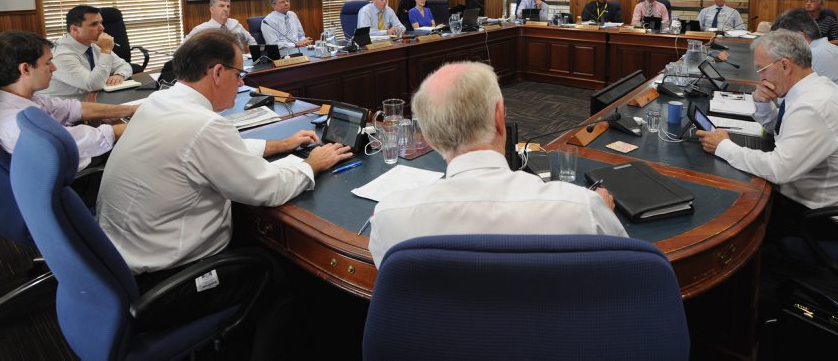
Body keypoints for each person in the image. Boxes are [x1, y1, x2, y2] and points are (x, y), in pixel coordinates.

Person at [97, 31, 352, 279]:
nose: (241, 83)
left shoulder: (159, 101)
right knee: (284, 273)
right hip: (171, 270)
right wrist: (312, 164)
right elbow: (267, 189)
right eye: (239, 74)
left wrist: (280, 144)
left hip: (119, 257)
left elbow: (210, 151)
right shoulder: (203, 125)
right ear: (218, 72)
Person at [369, 62, 627, 265]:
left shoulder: (390, 218)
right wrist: (602, 211)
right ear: (499, 118)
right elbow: (625, 273)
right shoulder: (583, 210)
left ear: (428, 136)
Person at [695, 30, 838, 241]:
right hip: (814, 195)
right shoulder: (814, 88)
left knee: (725, 207)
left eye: (762, 69)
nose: (760, 77)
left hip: (822, 219)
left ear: (785, 65)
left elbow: (778, 170)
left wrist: (723, 146)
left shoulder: (813, 107)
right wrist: (762, 103)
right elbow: (778, 129)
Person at [0, 31, 136, 171]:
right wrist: (150, 118)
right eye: (48, 62)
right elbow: (99, 138)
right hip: (77, 179)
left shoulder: (8, 98)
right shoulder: (21, 123)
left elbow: (71, 108)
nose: (54, 68)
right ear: (25, 69)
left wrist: (133, 109)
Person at [771, 9, 838, 114]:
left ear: (799, 37)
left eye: (781, 41)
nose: (780, 48)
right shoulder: (823, 48)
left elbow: (786, 102)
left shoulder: (816, 55)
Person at [39, 5, 133, 97]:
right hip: (62, 106)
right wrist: (106, 50)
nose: (102, 28)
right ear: (74, 29)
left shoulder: (93, 43)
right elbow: (93, 85)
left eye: (101, 23)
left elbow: (125, 66)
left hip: (91, 98)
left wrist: (119, 75)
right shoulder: (60, 54)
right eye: (94, 24)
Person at [185, 0, 256, 46]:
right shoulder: (202, 29)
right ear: (212, 10)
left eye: (228, 6)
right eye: (221, 6)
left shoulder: (235, 24)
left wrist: (252, 55)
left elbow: (251, 40)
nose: (226, 9)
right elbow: (182, 48)